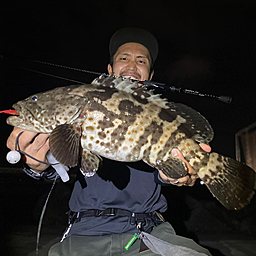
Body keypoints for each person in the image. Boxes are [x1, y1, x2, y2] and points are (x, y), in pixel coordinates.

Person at [7, 28, 212, 255]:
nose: (132, 66)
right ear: (110, 69)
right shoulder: (77, 114)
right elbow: (56, 165)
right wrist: (37, 166)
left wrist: (180, 175)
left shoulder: (159, 115)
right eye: (123, 58)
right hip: (83, 232)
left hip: (147, 232)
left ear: (150, 75)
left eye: (141, 60)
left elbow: (166, 173)